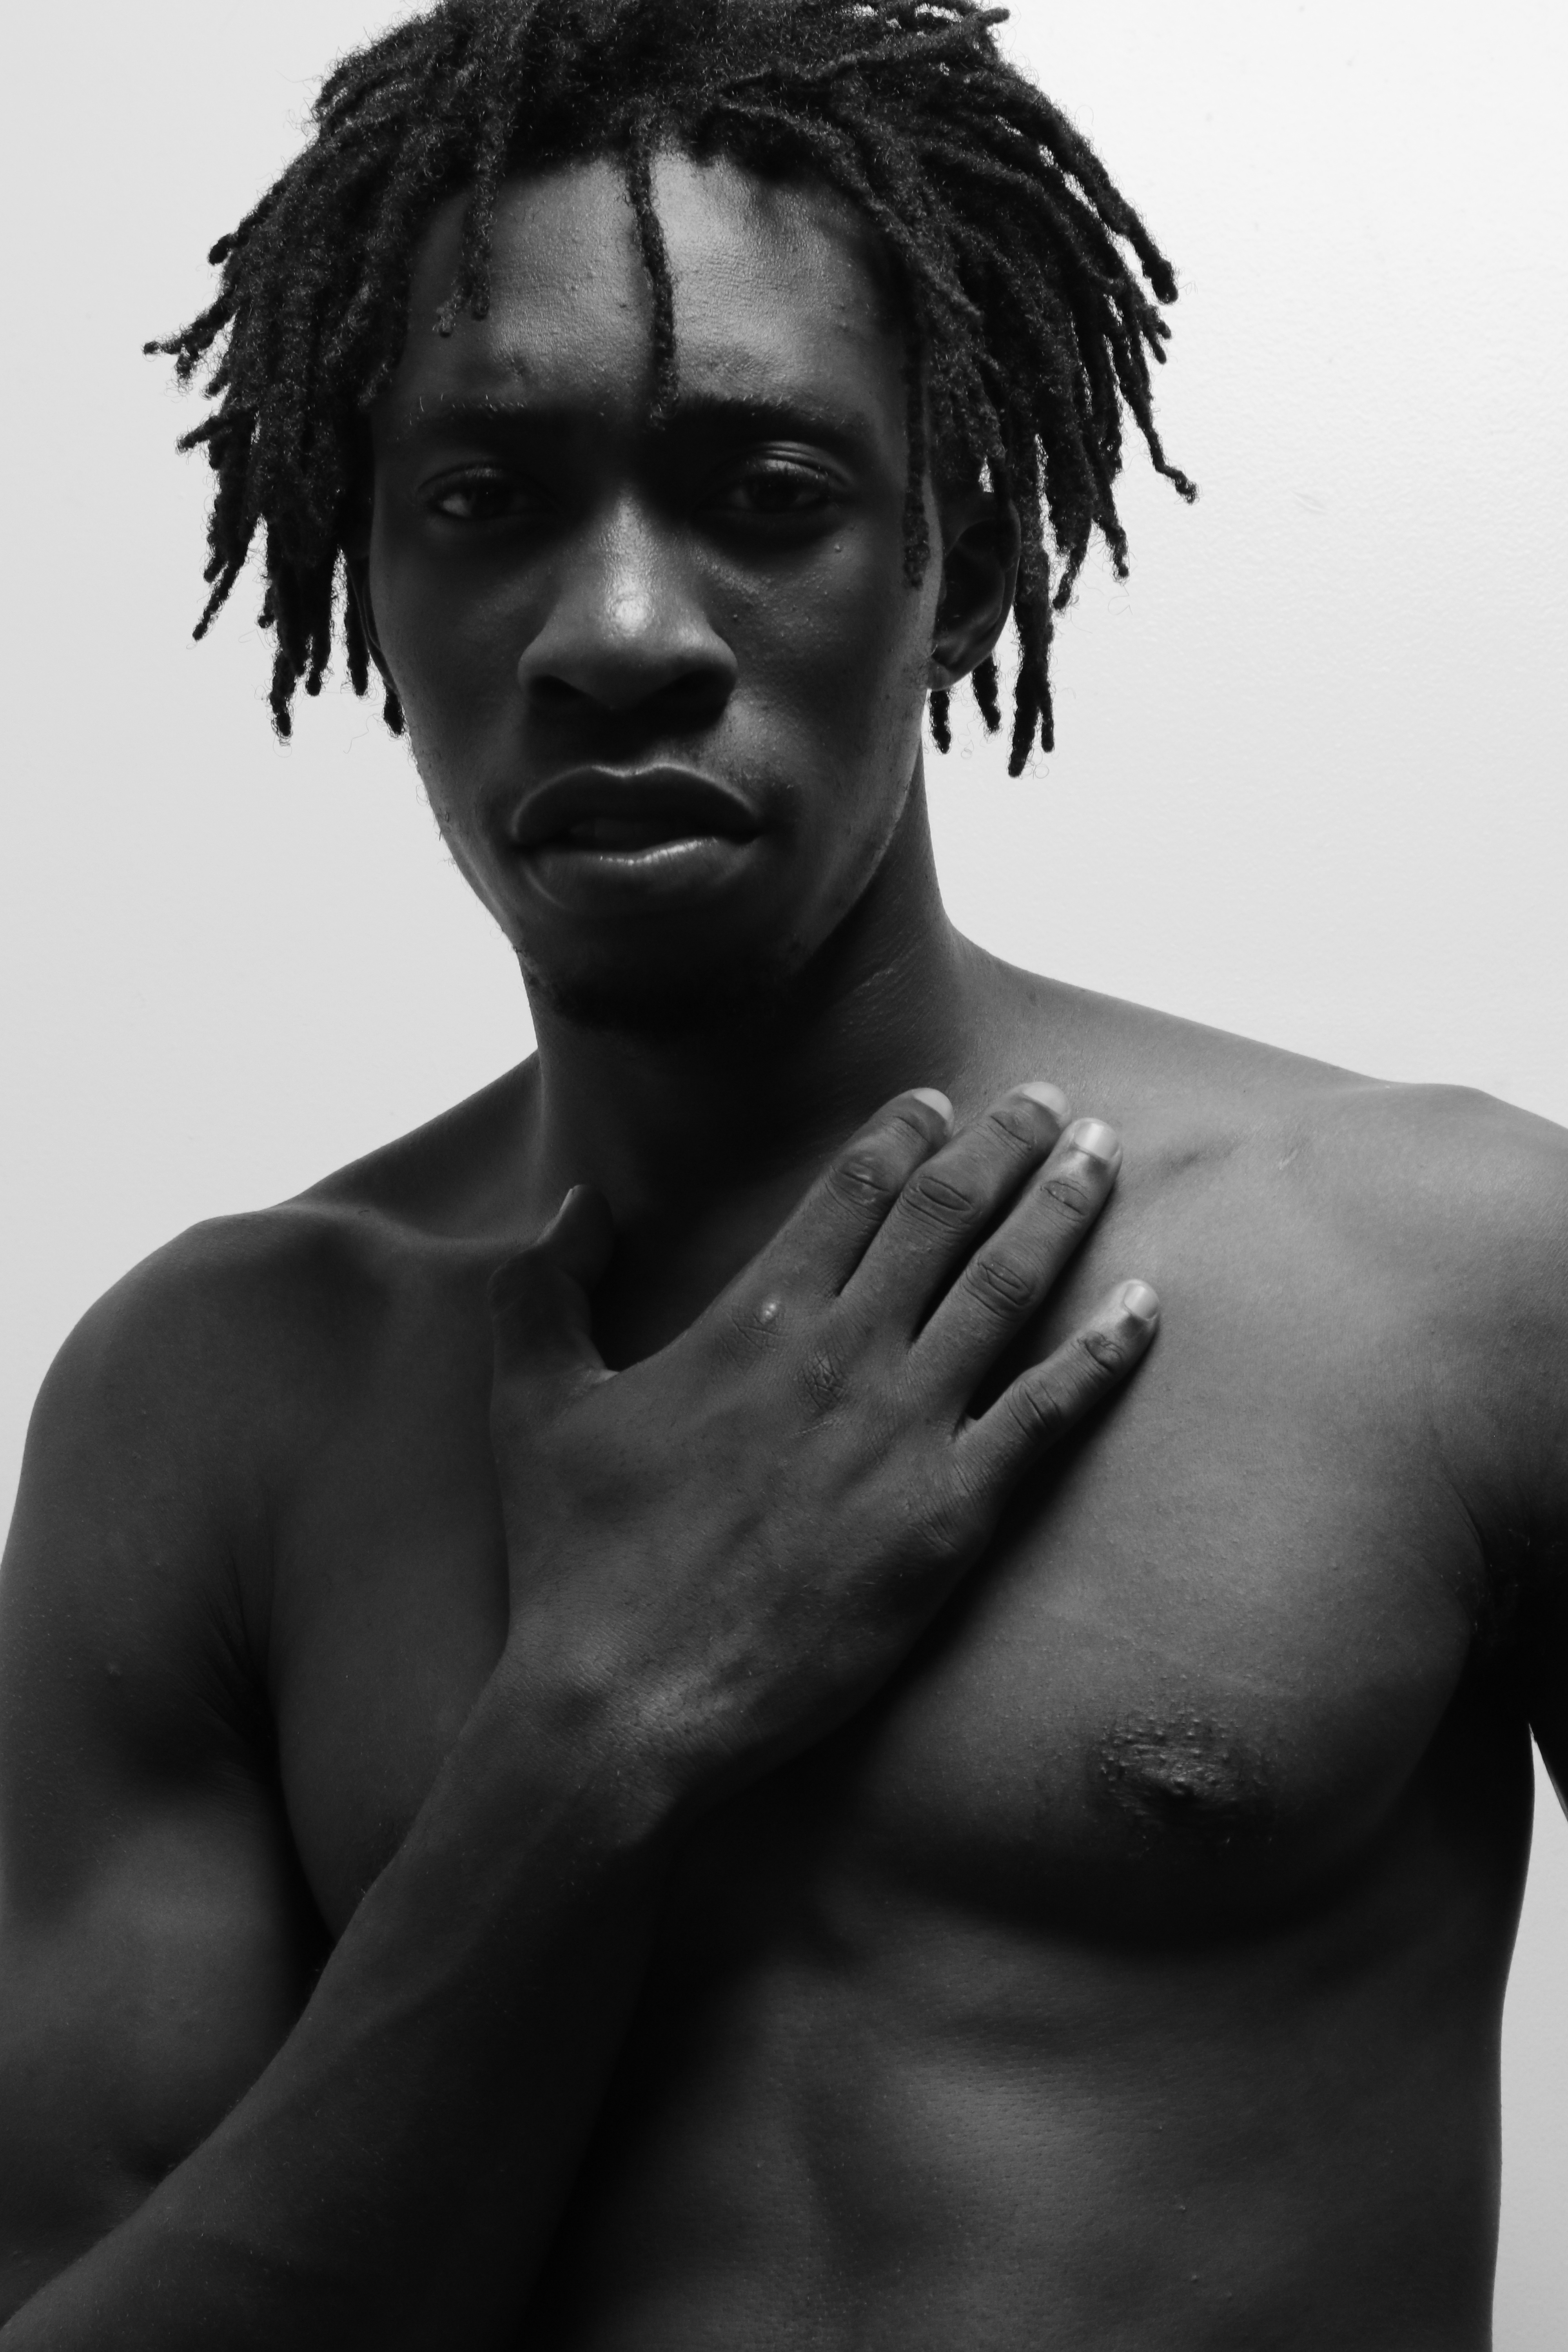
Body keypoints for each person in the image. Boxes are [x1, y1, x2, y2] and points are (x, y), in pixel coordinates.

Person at [0, 0, 1562, 2344]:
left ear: (960, 552)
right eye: (484, 500)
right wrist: (592, 1733)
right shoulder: (210, 1407)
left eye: (762, 490)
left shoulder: (1466, 1285)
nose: (620, 634)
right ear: (367, 577)